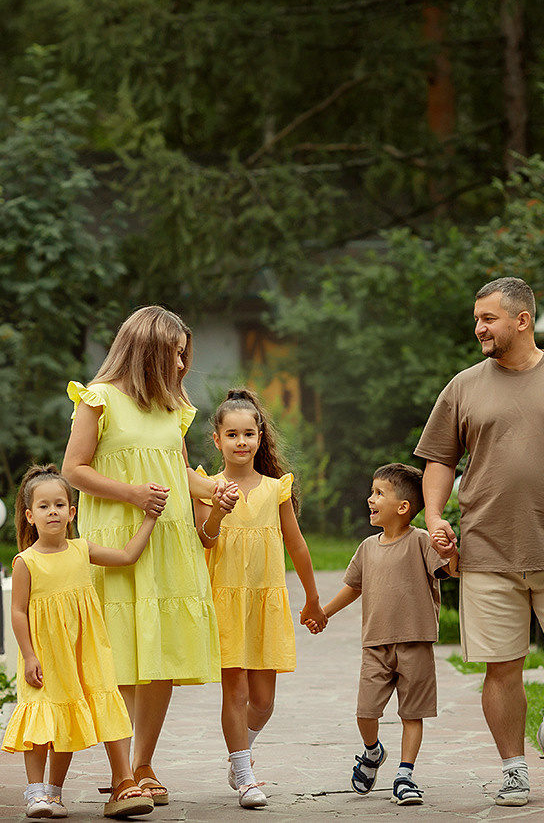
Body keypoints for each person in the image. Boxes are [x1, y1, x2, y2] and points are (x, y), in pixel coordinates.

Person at [416, 276, 544, 808]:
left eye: (488, 318)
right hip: (486, 549)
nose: (479, 328)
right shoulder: (462, 387)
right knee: (501, 665)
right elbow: (440, 458)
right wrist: (436, 516)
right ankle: (513, 768)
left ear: (522, 320)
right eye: (477, 318)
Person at [62, 305, 226, 805]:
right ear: (148, 352)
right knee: (121, 654)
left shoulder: (174, 409)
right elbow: (73, 470)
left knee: (161, 655)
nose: (181, 366)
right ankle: (121, 771)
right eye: (175, 355)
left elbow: (181, 476)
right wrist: (131, 494)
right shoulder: (99, 399)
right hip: (118, 540)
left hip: (170, 540)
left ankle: (143, 764)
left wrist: (214, 491)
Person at [193, 388, 329, 809]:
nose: (240, 442)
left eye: (248, 433)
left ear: (259, 436)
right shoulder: (206, 486)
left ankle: (239, 757)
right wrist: (218, 509)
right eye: (231, 434)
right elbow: (205, 539)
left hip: (265, 602)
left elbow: (298, 546)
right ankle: (246, 773)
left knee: (264, 702)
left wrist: (311, 598)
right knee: (233, 693)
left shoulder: (276, 489)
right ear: (217, 440)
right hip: (226, 602)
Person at [1, 465, 158, 819]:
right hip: (44, 655)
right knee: (43, 721)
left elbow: (126, 557)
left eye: (59, 504)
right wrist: (28, 656)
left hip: (82, 652)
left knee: (67, 721)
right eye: (43, 506)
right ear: (30, 516)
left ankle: (54, 794)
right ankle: (35, 792)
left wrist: (149, 519)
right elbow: (18, 613)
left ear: (72, 513)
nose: (52, 511)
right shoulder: (26, 562)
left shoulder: (81, 549)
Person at [312, 463, 455, 806]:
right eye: (371, 491)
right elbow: (353, 587)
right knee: (366, 711)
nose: (369, 498)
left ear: (403, 507)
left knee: (412, 713)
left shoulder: (421, 540)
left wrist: (451, 552)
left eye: (379, 493)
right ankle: (373, 752)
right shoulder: (367, 547)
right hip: (375, 644)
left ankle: (405, 775)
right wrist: (324, 612)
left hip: (416, 642)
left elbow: (450, 568)